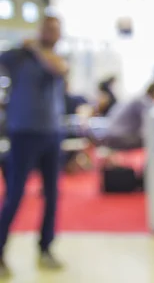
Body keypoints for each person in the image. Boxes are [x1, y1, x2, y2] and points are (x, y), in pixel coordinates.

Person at [0, 16, 68, 275]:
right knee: (15, 193)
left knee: (51, 195)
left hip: (52, 133)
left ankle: (46, 248)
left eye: (55, 29)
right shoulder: (18, 57)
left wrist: (37, 49)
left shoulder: (54, 58)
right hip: (24, 133)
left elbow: (59, 69)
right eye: (47, 28)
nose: (51, 33)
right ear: (39, 30)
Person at [91, 81, 154, 151]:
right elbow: (149, 121)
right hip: (119, 137)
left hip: (112, 134)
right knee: (152, 140)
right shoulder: (143, 101)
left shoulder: (138, 98)